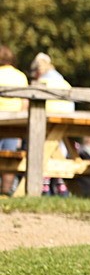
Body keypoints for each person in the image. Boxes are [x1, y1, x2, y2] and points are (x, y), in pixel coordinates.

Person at [29, 52, 73, 196]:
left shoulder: (42, 83)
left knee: (42, 149)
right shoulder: (62, 81)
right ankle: (60, 184)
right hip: (66, 124)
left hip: (46, 122)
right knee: (57, 150)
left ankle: (44, 185)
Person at [0, 44, 28, 196]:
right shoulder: (20, 76)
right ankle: (5, 191)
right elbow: (25, 101)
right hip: (14, 122)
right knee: (10, 158)